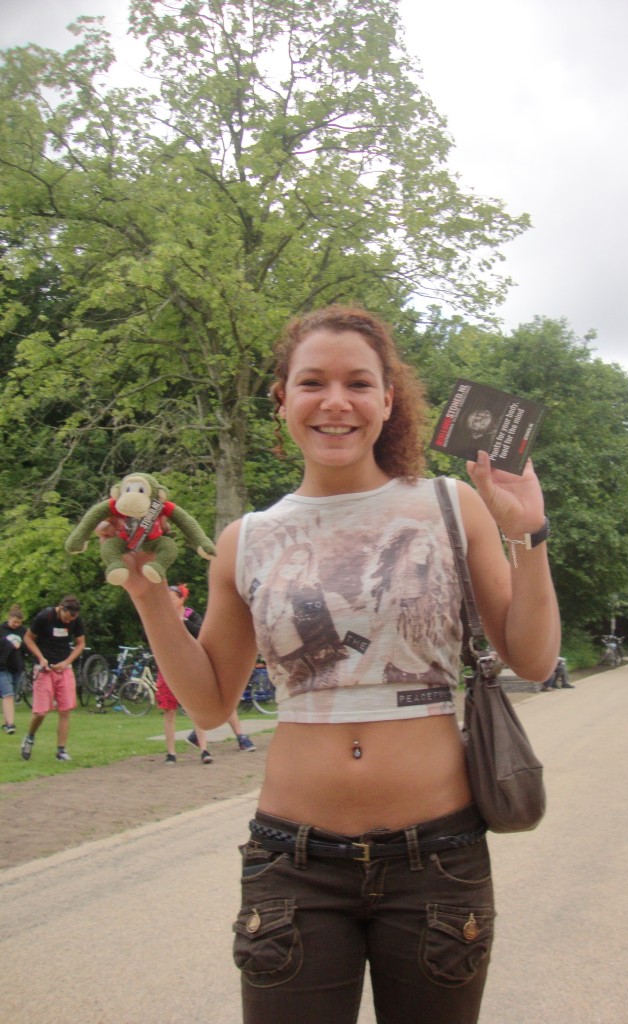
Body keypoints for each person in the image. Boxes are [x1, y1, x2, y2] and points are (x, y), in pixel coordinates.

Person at [108, 305, 561, 1024]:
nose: (336, 401)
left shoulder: (452, 503)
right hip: (293, 864)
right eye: (312, 382)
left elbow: (533, 658)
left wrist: (528, 535)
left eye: (359, 382)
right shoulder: (246, 539)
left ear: (388, 400)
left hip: (438, 857)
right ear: (282, 399)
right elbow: (210, 705)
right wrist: (148, 596)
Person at [157, 584, 255, 765]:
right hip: (171, 667)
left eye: (171, 598)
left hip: (195, 665)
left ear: (181, 599)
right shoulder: (163, 617)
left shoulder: (190, 616)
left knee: (218, 699)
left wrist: (182, 622)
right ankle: (172, 753)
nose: (168, 603)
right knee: (170, 710)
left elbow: (201, 632)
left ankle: (219, 744)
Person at [20, 595, 85, 762]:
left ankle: (61, 751)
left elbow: (80, 644)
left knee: (65, 710)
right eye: (67, 617)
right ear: (60, 609)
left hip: (64, 668)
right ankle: (29, 737)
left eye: (72, 619)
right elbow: (28, 638)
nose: (68, 622)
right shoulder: (45, 617)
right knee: (41, 712)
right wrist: (41, 658)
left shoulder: (75, 621)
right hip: (44, 669)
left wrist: (66, 662)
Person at [0, 604, 27, 708]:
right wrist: (9, 645)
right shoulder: (2, 629)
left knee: (13, 691)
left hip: (17, 665)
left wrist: (22, 645)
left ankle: (8, 718)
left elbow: (29, 645)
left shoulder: (23, 631)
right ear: (9, 619)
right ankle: (9, 722)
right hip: (3, 665)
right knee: (8, 693)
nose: (16, 624)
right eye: (14, 622)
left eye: (19, 623)